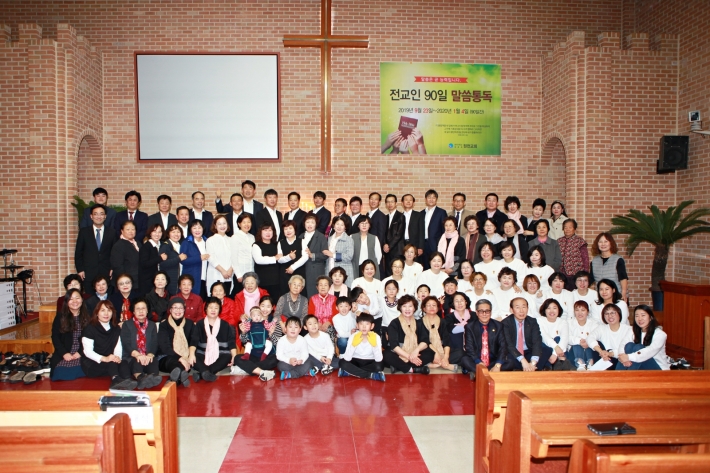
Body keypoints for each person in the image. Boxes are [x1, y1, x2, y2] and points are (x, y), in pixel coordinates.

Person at [81, 300, 137, 390]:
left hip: (110, 361)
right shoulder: (90, 328)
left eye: (109, 310)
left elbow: (118, 347)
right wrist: (105, 358)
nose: (106, 313)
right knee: (111, 363)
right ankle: (116, 380)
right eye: (103, 310)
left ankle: (127, 380)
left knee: (123, 362)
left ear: (112, 313)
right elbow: (88, 352)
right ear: (97, 313)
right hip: (93, 363)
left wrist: (117, 357)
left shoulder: (116, 328)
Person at [461, 299, 514, 379]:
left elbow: (503, 346)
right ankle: (489, 373)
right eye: (481, 311)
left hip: (493, 360)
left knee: (510, 362)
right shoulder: (470, 327)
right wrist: (479, 362)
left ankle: (479, 373)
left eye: (487, 311)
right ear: (477, 313)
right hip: (477, 361)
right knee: (465, 360)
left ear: (491, 312)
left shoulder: (498, 326)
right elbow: (469, 347)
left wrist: (497, 365)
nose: (484, 314)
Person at [188, 297, 237, 382]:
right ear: (206, 309)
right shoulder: (200, 324)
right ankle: (207, 373)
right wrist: (191, 354)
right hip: (202, 353)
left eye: (216, 308)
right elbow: (194, 341)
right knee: (195, 358)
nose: (213, 310)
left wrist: (234, 356)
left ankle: (202, 373)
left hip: (221, 353)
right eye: (211, 307)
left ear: (219, 310)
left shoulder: (225, 325)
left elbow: (231, 342)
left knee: (226, 357)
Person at [231, 298, 279, 381]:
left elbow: (277, 343)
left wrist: (271, 334)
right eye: (263, 306)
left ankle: (247, 369)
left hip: (267, 356)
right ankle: (261, 372)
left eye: (268, 306)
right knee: (237, 358)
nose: (265, 309)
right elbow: (244, 341)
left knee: (276, 358)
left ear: (272, 308)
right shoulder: (249, 321)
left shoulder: (274, 322)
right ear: (259, 306)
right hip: (252, 355)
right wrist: (243, 332)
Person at [384, 294, 433, 374]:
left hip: (414, 351)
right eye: (404, 306)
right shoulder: (394, 323)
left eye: (410, 306)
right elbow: (394, 345)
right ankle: (413, 369)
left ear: (414, 308)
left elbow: (425, 341)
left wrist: (416, 351)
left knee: (430, 353)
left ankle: (399, 367)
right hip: (398, 353)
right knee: (387, 355)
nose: (407, 309)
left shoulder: (419, 323)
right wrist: (409, 357)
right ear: (400, 308)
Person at [501, 297, 553, 371]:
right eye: (517, 307)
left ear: (527, 309)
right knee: (508, 359)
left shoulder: (532, 322)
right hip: (514, 353)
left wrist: (533, 363)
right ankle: (531, 369)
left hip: (528, 351)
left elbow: (537, 342)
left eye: (524, 307)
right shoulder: (505, 323)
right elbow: (509, 345)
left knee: (547, 350)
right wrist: (523, 361)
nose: (521, 310)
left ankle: (529, 368)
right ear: (511, 310)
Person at [120, 298, 162, 389]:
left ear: (147, 310)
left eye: (143, 308)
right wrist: (138, 355)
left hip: (147, 355)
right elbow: (126, 344)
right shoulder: (127, 324)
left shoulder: (152, 325)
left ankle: (152, 378)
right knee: (136, 361)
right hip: (132, 356)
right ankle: (140, 378)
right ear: (133, 312)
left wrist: (150, 355)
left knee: (153, 361)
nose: (141, 311)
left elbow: (155, 342)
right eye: (138, 309)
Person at [75, 203, 117, 293]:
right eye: (96, 214)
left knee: (107, 298)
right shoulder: (84, 232)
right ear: (91, 216)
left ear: (105, 216)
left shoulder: (112, 232)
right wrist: (80, 269)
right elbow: (78, 252)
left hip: (106, 272)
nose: (99, 216)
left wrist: (113, 268)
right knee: (90, 298)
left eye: (101, 214)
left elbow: (115, 253)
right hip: (88, 272)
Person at [51, 289, 90, 381]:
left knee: (86, 370)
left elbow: (91, 338)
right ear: (67, 301)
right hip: (65, 352)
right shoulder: (60, 316)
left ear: (82, 300)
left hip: (83, 352)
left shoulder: (88, 316)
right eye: (71, 299)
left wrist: (80, 352)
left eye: (77, 298)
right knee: (60, 373)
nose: (75, 301)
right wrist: (64, 353)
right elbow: (55, 337)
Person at [617, 305, 669, 370]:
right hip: (639, 366)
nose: (640, 319)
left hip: (658, 369)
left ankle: (626, 375)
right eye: (637, 316)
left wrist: (628, 357)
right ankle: (619, 375)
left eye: (643, 315)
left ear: (651, 317)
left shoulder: (660, 334)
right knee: (629, 345)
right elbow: (623, 344)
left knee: (639, 347)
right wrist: (623, 357)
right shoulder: (632, 331)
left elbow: (649, 351)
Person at [157, 297, 195, 387]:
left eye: (181, 308)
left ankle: (173, 380)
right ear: (170, 310)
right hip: (166, 356)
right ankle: (180, 376)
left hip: (186, 356)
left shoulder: (190, 323)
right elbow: (165, 347)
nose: (178, 310)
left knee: (185, 364)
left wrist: (191, 354)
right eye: (175, 307)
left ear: (184, 310)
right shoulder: (164, 325)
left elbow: (193, 341)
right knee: (176, 363)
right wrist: (180, 358)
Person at [338, 313, 386, 381]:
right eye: (361, 324)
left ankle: (350, 372)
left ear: (372, 326)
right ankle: (370, 375)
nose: (364, 327)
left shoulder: (376, 337)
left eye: (367, 324)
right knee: (342, 363)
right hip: (355, 360)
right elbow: (347, 358)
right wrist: (353, 345)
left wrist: (374, 346)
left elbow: (379, 359)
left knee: (380, 366)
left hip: (370, 361)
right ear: (357, 325)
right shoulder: (353, 336)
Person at [587, 304, 634, 370]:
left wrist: (610, 353)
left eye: (613, 313)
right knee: (596, 344)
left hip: (621, 361)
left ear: (619, 314)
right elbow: (590, 338)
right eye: (606, 314)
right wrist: (601, 352)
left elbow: (628, 349)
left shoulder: (629, 329)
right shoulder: (602, 328)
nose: (610, 316)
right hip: (605, 359)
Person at [590, 232, 628, 301]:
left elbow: (623, 278)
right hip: (601, 297)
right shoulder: (594, 261)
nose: (603, 244)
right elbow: (591, 279)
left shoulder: (618, 260)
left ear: (611, 243)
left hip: (617, 296)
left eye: (606, 241)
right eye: (600, 242)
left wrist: (624, 293)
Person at [420, 296, 456, 371]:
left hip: (441, 348)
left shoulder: (443, 321)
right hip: (427, 349)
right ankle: (445, 365)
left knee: (460, 353)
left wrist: (445, 357)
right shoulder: (419, 322)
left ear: (437, 308)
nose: (431, 307)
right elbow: (425, 341)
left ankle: (436, 363)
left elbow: (446, 340)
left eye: (434, 305)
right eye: (428, 305)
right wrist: (436, 353)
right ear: (424, 308)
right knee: (424, 354)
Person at [537, 298, 572, 371]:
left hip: (557, 353)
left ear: (559, 310)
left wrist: (554, 354)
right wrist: (556, 347)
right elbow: (544, 336)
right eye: (548, 308)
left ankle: (560, 363)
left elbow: (565, 339)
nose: (552, 311)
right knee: (542, 342)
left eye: (554, 308)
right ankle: (549, 366)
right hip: (545, 348)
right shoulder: (539, 320)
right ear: (544, 310)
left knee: (558, 339)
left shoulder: (563, 322)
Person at [276, 220, 308, 296]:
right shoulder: (280, 243)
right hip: (285, 273)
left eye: (290, 228)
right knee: (285, 294)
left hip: (299, 271)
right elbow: (279, 259)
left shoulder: (302, 241)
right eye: (285, 229)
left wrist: (293, 267)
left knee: (300, 295)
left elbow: (306, 256)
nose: (288, 231)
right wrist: (289, 257)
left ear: (295, 229)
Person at [301, 214, 328, 298]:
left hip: (315, 270)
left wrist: (312, 255)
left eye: (312, 222)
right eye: (307, 222)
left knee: (313, 294)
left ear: (316, 224)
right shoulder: (300, 236)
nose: (310, 224)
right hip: (302, 269)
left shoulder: (321, 237)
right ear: (304, 224)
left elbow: (325, 255)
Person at [252, 223, 282, 299]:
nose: (268, 233)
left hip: (276, 280)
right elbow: (258, 260)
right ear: (260, 232)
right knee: (263, 301)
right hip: (263, 280)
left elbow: (281, 257)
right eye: (265, 230)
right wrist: (274, 258)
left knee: (275, 301)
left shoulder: (277, 244)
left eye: (270, 230)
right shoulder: (256, 245)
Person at [567, 300, 599, 371]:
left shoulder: (594, 324)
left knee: (590, 342)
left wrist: (587, 342)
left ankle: (590, 363)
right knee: (577, 343)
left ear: (588, 312)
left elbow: (596, 337)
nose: (580, 313)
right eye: (577, 310)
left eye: (583, 310)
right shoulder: (569, 323)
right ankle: (580, 363)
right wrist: (579, 341)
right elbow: (567, 338)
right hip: (574, 354)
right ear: (574, 312)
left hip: (590, 352)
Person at [181, 220, 209, 299]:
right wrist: (199, 258)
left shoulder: (207, 241)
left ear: (203, 229)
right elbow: (183, 260)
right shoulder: (186, 242)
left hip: (205, 276)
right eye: (194, 228)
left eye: (199, 228)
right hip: (192, 277)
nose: (197, 230)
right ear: (190, 229)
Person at [206, 214, 233, 296]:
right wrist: (223, 271)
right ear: (215, 226)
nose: (222, 226)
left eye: (224, 223)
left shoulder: (231, 240)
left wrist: (230, 270)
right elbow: (211, 258)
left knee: (227, 298)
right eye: (219, 224)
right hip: (216, 274)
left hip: (229, 275)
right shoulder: (210, 240)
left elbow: (235, 257)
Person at [557, 219, 589, 290]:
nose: (567, 229)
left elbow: (585, 259)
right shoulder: (559, 241)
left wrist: (585, 274)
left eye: (570, 227)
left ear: (574, 229)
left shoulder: (580, 241)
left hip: (576, 275)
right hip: (562, 275)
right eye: (565, 227)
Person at [229, 213, 255, 296]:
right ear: (239, 224)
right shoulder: (235, 237)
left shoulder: (252, 237)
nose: (247, 224)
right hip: (240, 273)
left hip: (251, 273)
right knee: (239, 297)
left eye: (249, 222)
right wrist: (238, 274)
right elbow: (233, 257)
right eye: (244, 222)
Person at [420, 189, 447, 268]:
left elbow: (444, 230)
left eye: (433, 197)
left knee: (435, 266)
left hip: (436, 244)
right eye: (429, 197)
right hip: (423, 245)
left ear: (436, 199)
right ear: (425, 199)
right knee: (425, 266)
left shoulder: (441, 212)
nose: (431, 199)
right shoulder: (421, 213)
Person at [443, 292, 471, 367]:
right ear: (453, 304)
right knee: (461, 354)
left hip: (471, 348)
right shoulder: (449, 317)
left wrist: (461, 327)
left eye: (461, 300)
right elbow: (452, 330)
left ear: (466, 302)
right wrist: (468, 326)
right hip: (456, 350)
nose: (459, 303)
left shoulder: (474, 315)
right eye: (456, 301)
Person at [110, 220, 140, 288]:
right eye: (128, 229)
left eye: (133, 229)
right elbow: (118, 266)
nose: (131, 231)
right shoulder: (118, 245)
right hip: (127, 282)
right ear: (122, 231)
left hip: (138, 280)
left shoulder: (137, 243)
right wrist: (126, 281)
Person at [325, 216, 355, 285]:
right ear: (333, 225)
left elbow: (349, 256)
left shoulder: (348, 239)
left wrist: (333, 255)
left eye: (342, 225)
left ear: (345, 227)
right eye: (337, 224)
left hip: (343, 271)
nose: (339, 227)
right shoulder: (329, 239)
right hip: (330, 269)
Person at [158, 224, 185, 296]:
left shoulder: (181, 245)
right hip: (170, 279)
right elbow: (162, 264)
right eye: (173, 232)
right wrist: (178, 258)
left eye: (178, 232)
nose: (176, 234)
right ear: (168, 234)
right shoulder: (165, 246)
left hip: (179, 278)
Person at [138, 224, 164, 295]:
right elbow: (144, 264)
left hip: (159, 280)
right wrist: (160, 258)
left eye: (159, 232)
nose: (157, 234)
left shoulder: (162, 245)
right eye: (154, 231)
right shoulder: (146, 247)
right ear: (150, 233)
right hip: (147, 281)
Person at [383, 194, 405, 275]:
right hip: (387, 251)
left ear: (396, 203)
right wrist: (384, 244)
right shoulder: (385, 217)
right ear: (386, 204)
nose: (390, 204)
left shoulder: (401, 216)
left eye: (392, 202)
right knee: (388, 272)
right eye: (388, 202)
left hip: (397, 250)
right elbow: (384, 233)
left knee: (397, 272)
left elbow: (399, 234)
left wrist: (389, 246)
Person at [366, 192, 388, 264]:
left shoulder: (381, 216)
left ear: (379, 202)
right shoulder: (367, 214)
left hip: (375, 246)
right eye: (371, 199)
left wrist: (377, 247)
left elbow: (381, 233)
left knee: (377, 266)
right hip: (366, 245)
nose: (373, 201)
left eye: (376, 199)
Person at [379, 279, 401, 348]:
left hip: (396, 327)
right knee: (385, 346)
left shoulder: (400, 302)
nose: (391, 291)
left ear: (397, 290)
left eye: (394, 289)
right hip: (384, 327)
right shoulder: (381, 300)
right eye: (389, 289)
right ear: (385, 290)